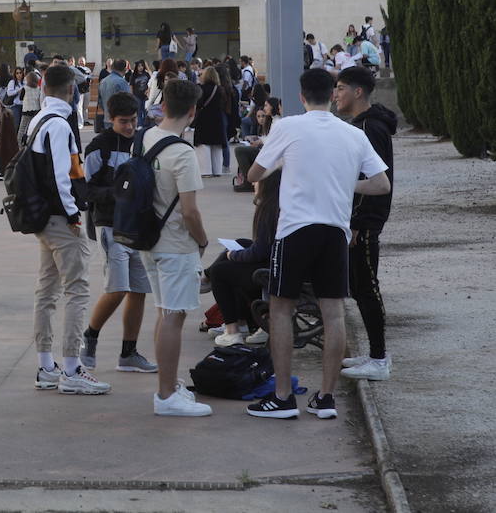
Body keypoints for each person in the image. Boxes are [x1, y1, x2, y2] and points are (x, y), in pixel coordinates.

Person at [245, 68, 390, 421]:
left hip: (295, 228)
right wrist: (342, 184)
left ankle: (281, 397)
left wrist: (280, 162)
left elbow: (253, 174)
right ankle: (325, 398)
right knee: (333, 312)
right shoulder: (352, 133)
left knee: (280, 308)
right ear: (332, 94)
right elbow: (381, 183)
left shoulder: (288, 127)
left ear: (301, 96)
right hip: (336, 231)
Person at [131, 79, 212, 416]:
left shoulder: (144, 137)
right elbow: (190, 211)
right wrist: (203, 240)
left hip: (148, 239)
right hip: (177, 244)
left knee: (164, 313)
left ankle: (167, 385)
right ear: (192, 111)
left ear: (162, 106)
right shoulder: (182, 153)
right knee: (174, 317)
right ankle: (166, 396)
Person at [28, 65, 109, 396]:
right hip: (62, 219)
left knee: (47, 291)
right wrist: (74, 215)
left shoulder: (38, 120)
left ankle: (47, 365)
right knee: (77, 290)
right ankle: (73, 368)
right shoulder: (60, 125)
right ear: (71, 90)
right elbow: (63, 177)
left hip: (42, 219)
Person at [79, 92, 157, 374]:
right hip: (110, 225)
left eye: (133, 120)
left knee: (139, 290)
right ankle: (89, 336)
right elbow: (84, 191)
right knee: (118, 287)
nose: (129, 126)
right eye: (123, 121)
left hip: (139, 228)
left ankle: (129, 353)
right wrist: (118, 193)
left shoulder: (143, 142)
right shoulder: (99, 147)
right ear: (110, 119)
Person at [333, 67, 397, 383]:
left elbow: (372, 178)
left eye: (341, 88)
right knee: (359, 287)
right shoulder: (363, 125)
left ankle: (379, 358)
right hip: (360, 220)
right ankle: (374, 354)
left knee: (368, 288)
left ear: (358, 92)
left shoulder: (370, 128)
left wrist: (357, 222)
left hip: (365, 222)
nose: (336, 94)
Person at [205, 172, 280, 346]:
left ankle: (232, 331)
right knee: (239, 244)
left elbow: (259, 252)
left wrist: (235, 255)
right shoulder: (277, 205)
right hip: (276, 262)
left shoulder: (269, 209)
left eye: (257, 183)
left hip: (271, 268)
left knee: (222, 270)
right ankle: (240, 322)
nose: (253, 185)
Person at [191, 68, 227, 176]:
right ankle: (217, 170)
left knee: (203, 145)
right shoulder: (220, 89)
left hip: (204, 119)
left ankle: (205, 170)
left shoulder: (201, 89)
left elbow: (198, 104)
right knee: (217, 146)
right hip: (217, 119)